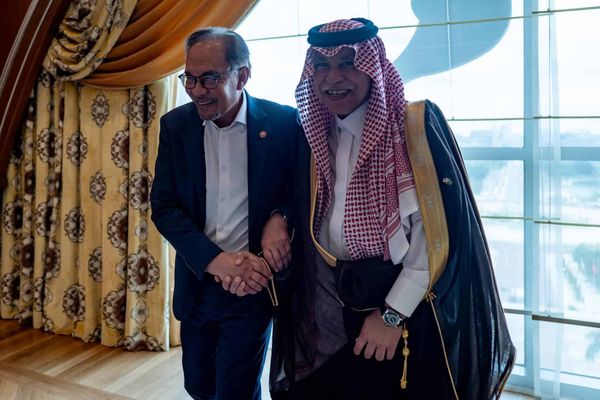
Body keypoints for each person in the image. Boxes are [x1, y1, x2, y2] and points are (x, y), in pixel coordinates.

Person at [269, 18, 516, 400]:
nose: (333, 76)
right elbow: (293, 200)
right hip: (336, 302)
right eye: (322, 65)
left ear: (373, 67)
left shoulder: (412, 128)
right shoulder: (313, 132)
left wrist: (391, 315)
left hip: (408, 306)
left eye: (348, 62)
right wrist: (277, 219)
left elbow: (434, 238)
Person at [150, 27, 299, 400]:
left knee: (235, 391)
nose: (197, 90)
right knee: (198, 386)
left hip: (252, 285)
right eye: (189, 78)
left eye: (209, 78)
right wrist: (215, 260)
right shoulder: (175, 126)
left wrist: (279, 217)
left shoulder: (283, 123)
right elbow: (164, 208)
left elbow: (301, 192)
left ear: (242, 75)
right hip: (199, 281)